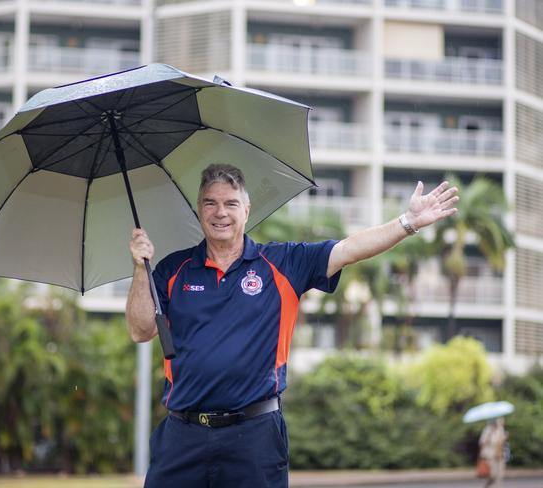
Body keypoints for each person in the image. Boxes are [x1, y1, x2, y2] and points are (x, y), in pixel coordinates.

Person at [127, 163, 458, 488]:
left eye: (230, 203)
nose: (220, 212)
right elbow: (140, 330)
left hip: (254, 435)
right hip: (183, 435)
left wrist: (408, 222)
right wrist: (140, 269)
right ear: (199, 209)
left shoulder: (282, 262)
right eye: (210, 202)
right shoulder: (173, 270)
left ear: (246, 209)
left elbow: (348, 250)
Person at [479, 417, 508, 487]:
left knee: (500, 474)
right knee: (493, 474)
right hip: (490, 454)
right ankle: (487, 485)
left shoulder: (501, 429)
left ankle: (498, 486)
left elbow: (502, 442)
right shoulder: (487, 430)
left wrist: (505, 437)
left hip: (500, 453)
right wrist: (489, 438)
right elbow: (482, 442)